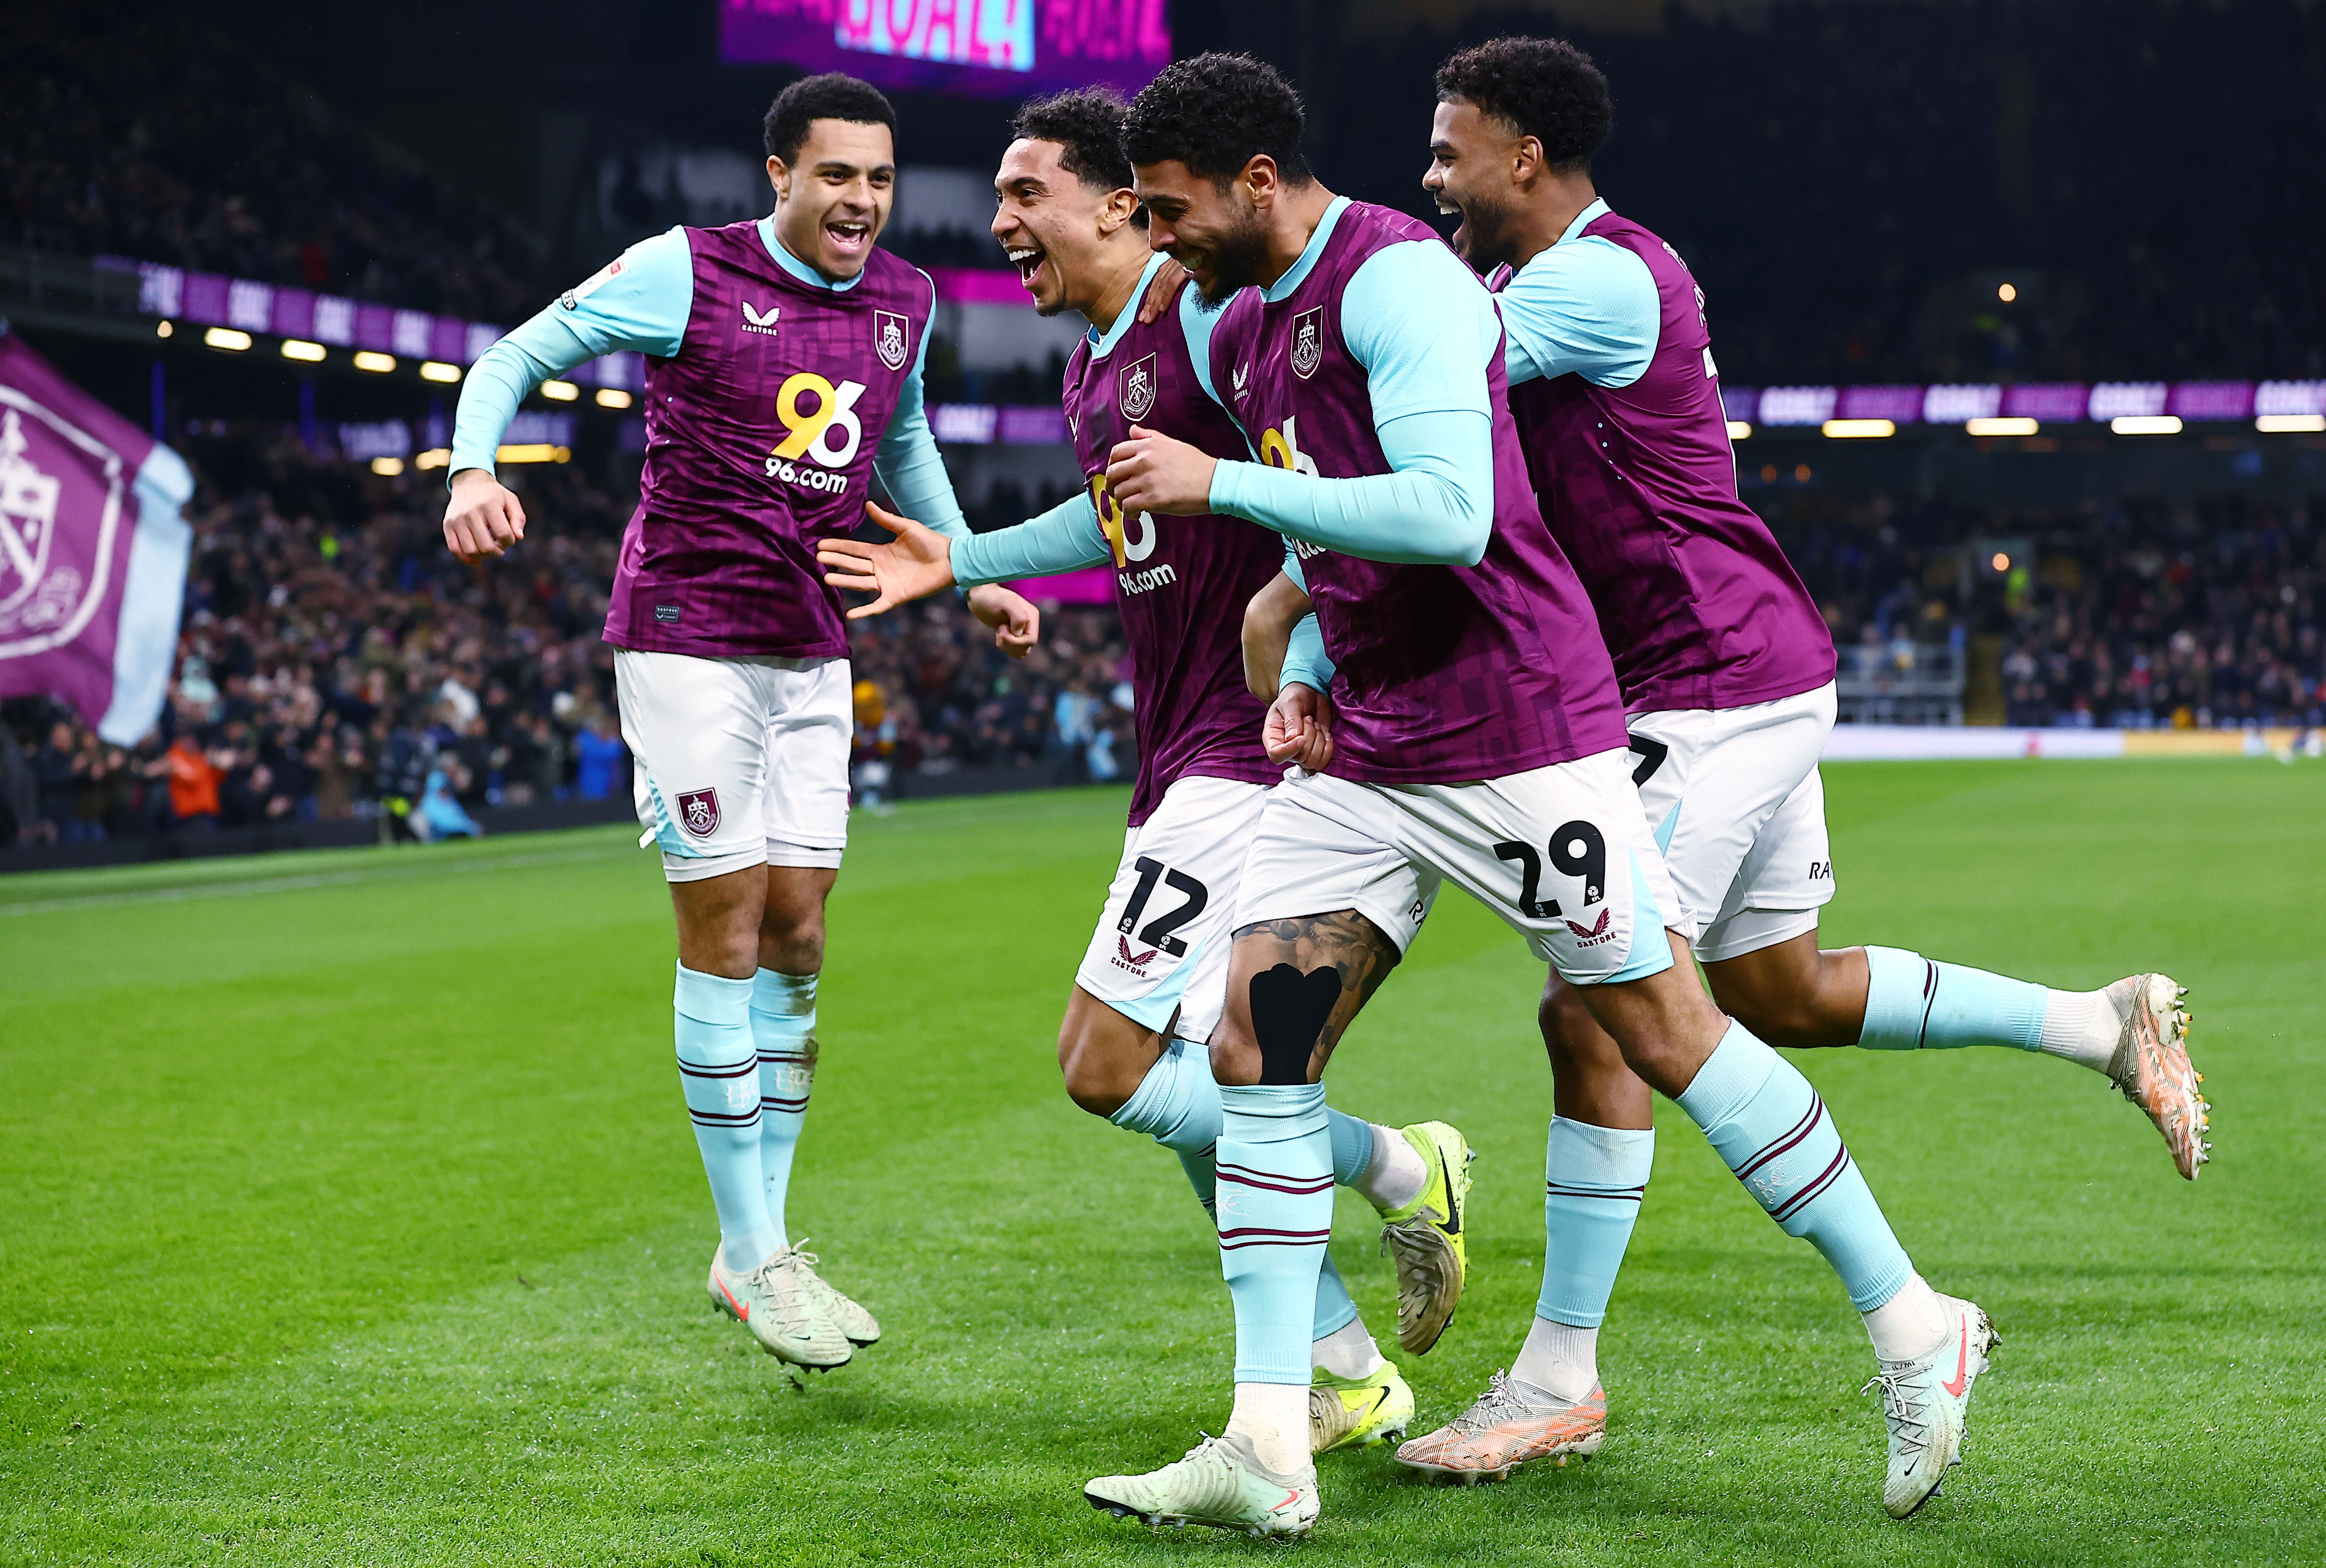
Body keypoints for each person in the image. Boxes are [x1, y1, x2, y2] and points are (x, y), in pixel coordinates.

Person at [1073, 53, 1987, 1536]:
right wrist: (1304, 644)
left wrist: (1225, 496)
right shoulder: (1243, 328)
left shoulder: (1404, 286)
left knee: (1667, 1027)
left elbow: (1451, 510)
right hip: (1366, 749)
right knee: (1257, 1042)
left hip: (1515, 736)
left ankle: (1910, 1319)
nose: (1155, 237)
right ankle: (1268, 1438)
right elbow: (1344, 509)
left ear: (1255, 183)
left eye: (1169, 209)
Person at [1336, 37, 2200, 1501]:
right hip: (1745, 666)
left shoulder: (1594, 279)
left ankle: (1571, 1373)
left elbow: (1418, 380)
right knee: (1774, 993)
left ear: (1526, 157)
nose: (1432, 178)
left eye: (1449, 149)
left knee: (1601, 1004)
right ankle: (2097, 1021)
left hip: (1707, 681)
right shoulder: (1552, 278)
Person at [817, 88, 1476, 1459]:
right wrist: (970, 556)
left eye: (1024, 193)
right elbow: (1117, 504)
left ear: (1124, 202)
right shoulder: (1088, 360)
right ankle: (1345, 1370)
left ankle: (1402, 1164)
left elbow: (1319, 474)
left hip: (1252, 754)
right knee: (1203, 1093)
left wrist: (1302, 649)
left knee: (1110, 1064)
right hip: (1175, 747)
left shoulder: (1207, 315)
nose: (998, 222)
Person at [440, 72, 1042, 1371]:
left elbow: (907, 444)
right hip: (684, 636)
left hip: (816, 645)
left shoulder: (909, 300)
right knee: (722, 922)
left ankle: (753, 1246)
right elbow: (517, 354)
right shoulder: (685, 272)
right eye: (838, 176)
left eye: (879, 180)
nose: (863, 202)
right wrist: (473, 465)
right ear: (781, 175)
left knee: (802, 928)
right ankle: (756, 1247)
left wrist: (976, 564)